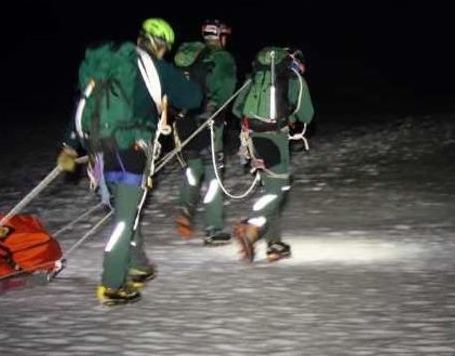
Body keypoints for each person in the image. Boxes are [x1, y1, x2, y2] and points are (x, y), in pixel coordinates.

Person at [58, 18, 202, 305]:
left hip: (98, 152)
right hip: (131, 151)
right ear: (162, 46)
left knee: (124, 211)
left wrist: (70, 146)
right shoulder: (154, 67)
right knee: (125, 219)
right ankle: (111, 284)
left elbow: (85, 105)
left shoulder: (109, 68)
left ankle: (137, 265)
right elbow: (193, 98)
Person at [231, 46, 315, 263]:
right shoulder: (294, 78)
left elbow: (236, 109)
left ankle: (274, 243)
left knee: (272, 188)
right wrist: (288, 115)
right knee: (277, 190)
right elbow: (308, 114)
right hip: (275, 139)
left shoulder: (256, 76)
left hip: (251, 138)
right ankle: (250, 227)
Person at [172, 19, 238, 245]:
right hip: (208, 122)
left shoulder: (187, 57)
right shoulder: (221, 58)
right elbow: (226, 90)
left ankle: (184, 210)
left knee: (193, 167)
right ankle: (214, 228)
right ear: (219, 36)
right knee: (213, 174)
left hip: (184, 121)